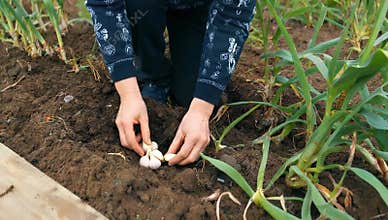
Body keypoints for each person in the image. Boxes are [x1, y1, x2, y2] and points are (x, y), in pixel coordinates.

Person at [85, 0, 255, 166]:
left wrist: (201, 110)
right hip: (142, 8)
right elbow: (103, 4)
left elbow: (233, 16)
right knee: (139, 7)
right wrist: (129, 95)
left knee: (190, 95)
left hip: (198, 5)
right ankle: (153, 77)